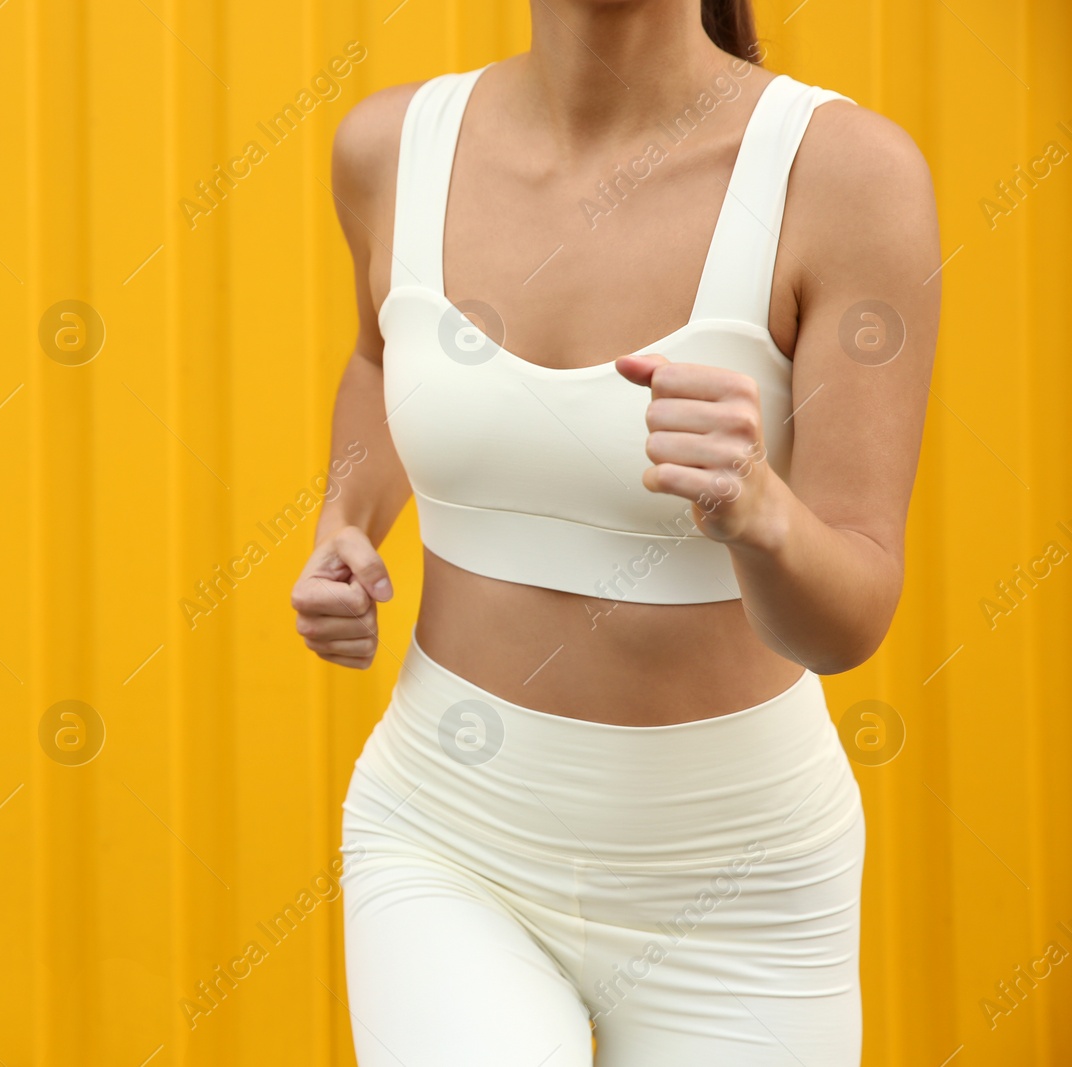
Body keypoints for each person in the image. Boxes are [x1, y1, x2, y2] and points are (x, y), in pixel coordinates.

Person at [289, 0, 939, 1062]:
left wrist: (761, 510)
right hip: (448, 837)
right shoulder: (388, 146)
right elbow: (377, 355)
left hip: (741, 889)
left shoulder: (844, 175)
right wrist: (344, 518)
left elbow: (849, 620)